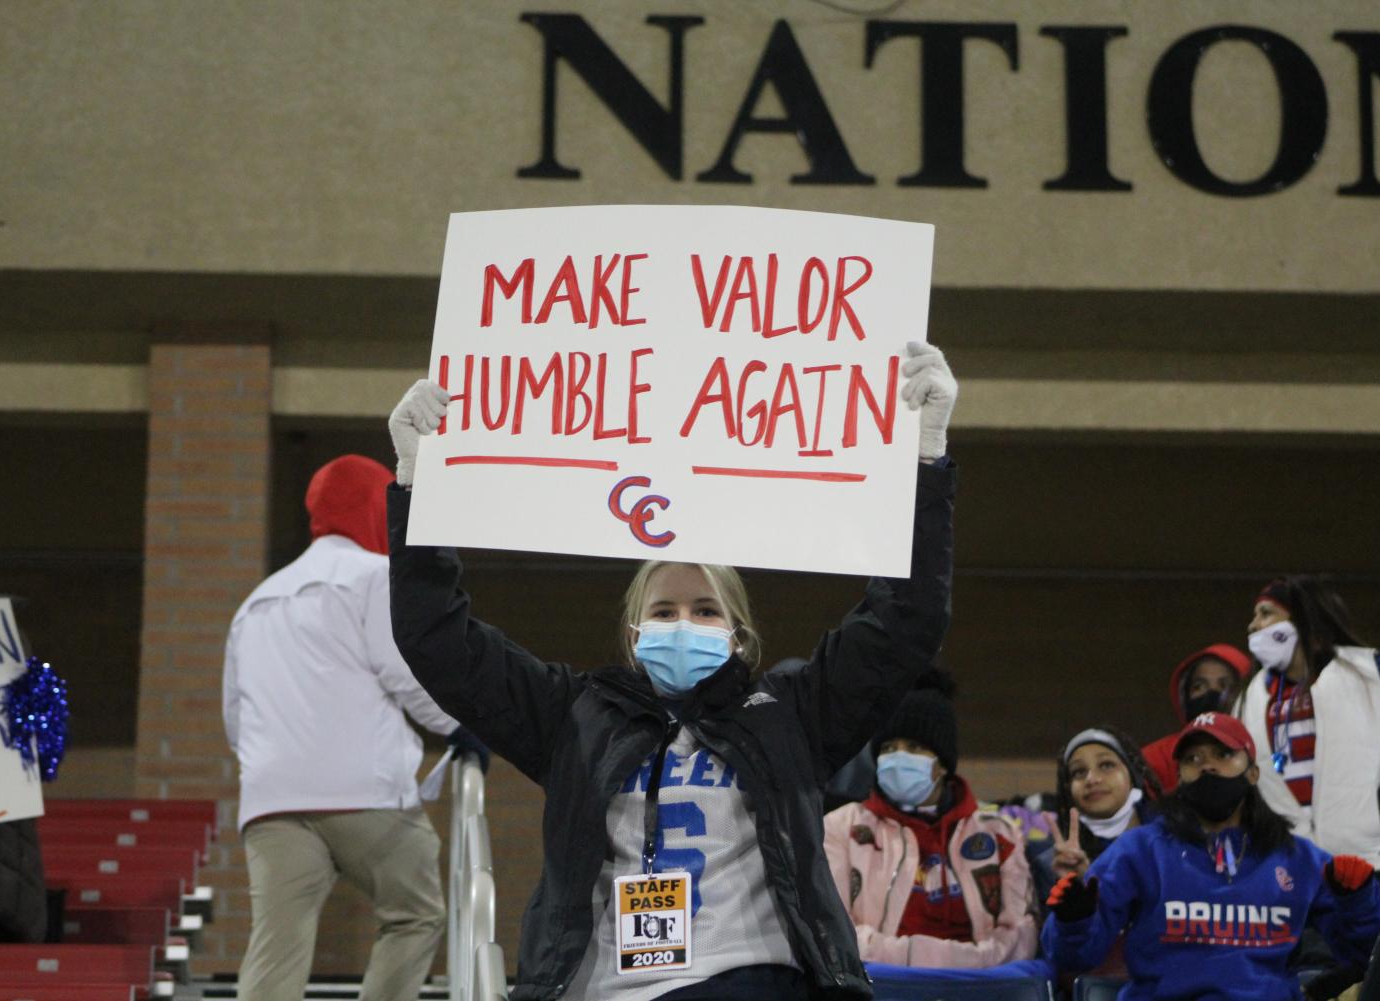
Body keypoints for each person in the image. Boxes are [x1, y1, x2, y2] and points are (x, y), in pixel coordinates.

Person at [383, 341, 957, 1001]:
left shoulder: (791, 714)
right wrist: (414, 482)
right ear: (633, 635)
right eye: (664, 609)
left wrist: (924, 459)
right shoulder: (576, 714)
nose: (683, 621)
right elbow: (436, 639)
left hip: (751, 980)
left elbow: (905, 621)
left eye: (705, 609)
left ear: (739, 636)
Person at [223, 454, 472, 1001]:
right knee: (414, 917)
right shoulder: (371, 578)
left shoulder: (256, 602)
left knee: (275, 947)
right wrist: (461, 726)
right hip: (364, 793)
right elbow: (406, 673)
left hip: (272, 800)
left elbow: (235, 714)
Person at [1042, 712, 1380, 1000]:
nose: (1206, 766)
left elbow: (1370, 957)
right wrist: (1073, 921)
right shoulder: (1140, 850)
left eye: (1222, 754)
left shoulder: (1298, 858)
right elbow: (1072, 956)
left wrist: (1359, 903)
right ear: (1179, 776)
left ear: (1252, 772)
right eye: (1192, 759)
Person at [1237, 575, 1380, 907]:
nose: (1253, 625)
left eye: (1266, 613)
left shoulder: (1373, 675)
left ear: (1305, 619)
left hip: (1379, 859)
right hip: (1296, 868)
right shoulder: (1248, 698)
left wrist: (1370, 821)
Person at [822, 675, 1037, 969]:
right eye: (888, 748)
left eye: (913, 747)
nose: (898, 757)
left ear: (943, 763)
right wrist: (968, 960)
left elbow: (1020, 941)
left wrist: (908, 957)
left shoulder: (1000, 835)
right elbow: (834, 935)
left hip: (980, 993)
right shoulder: (839, 827)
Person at [1048, 726, 1162, 882]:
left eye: (1106, 765)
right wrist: (1080, 883)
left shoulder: (1173, 838)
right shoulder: (1055, 862)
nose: (1092, 779)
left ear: (1132, 773)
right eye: (1079, 772)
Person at [1142, 644, 1254, 793]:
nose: (1211, 693)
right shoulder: (1156, 757)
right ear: (1184, 696)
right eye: (1199, 686)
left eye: (1225, 685)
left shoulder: (1270, 745)